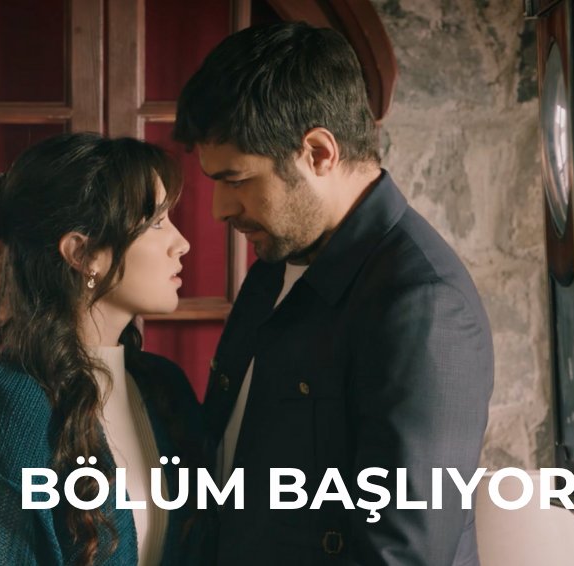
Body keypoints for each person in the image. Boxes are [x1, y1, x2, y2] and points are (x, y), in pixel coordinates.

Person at [172, 22, 494, 566]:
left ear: (319, 153)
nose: (219, 209)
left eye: (237, 179)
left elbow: (402, 556)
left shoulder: (424, 304)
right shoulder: (274, 265)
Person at [0, 133, 207, 566]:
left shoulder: (164, 387)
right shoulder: (9, 404)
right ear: (83, 254)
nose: (182, 243)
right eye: (156, 222)